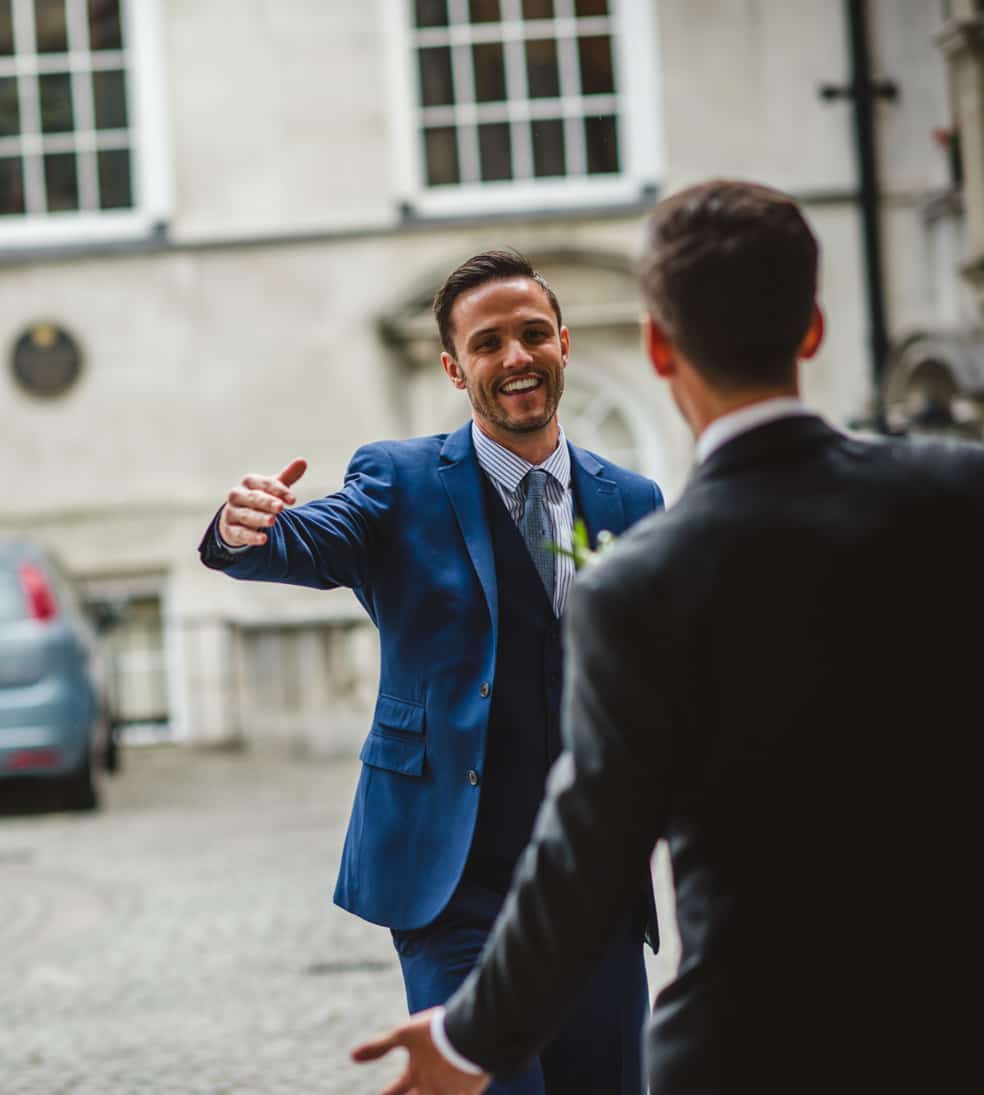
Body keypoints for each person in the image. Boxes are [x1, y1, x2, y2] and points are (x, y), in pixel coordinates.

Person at [350, 179, 984, 1093]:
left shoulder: (638, 578)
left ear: (656, 345)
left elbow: (588, 851)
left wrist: (468, 1039)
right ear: (812, 326)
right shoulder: (959, 498)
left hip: (740, 1041)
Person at [201, 250, 663, 1093]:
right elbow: (308, 540)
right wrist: (246, 529)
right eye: (488, 344)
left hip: (592, 875)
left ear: (563, 342)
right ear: (455, 367)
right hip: (456, 880)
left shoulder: (632, 500)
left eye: (532, 335)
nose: (515, 356)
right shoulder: (402, 480)